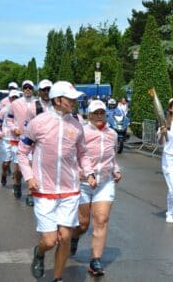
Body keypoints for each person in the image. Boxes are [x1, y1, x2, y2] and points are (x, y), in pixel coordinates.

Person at [18, 81, 95, 281]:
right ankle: (40, 252)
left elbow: (83, 154)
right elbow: (22, 151)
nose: (74, 102)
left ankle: (57, 278)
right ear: (58, 100)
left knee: (65, 237)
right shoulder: (39, 122)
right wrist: (29, 176)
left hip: (70, 190)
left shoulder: (77, 124)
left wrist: (89, 172)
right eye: (70, 99)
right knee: (50, 240)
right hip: (44, 190)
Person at [70, 100, 122, 276]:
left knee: (101, 219)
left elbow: (112, 157)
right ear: (89, 115)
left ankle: (95, 261)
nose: (100, 116)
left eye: (102, 112)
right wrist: (80, 173)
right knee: (83, 224)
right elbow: (72, 157)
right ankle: (74, 237)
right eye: (96, 113)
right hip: (83, 183)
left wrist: (116, 170)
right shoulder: (80, 132)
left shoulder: (112, 134)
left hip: (104, 183)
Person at [7, 80, 39, 205]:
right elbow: (9, 120)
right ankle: (17, 183)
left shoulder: (38, 103)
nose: (27, 89)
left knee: (32, 166)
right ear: (22, 89)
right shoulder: (15, 103)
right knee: (18, 168)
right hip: (18, 139)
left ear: (33, 89)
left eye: (30, 87)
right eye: (25, 87)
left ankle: (30, 194)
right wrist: (14, 128)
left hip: (35, 140)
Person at [0, 90, 21, 186]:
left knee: (18, 164)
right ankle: (3, 174)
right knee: (6, 163)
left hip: (18, 140)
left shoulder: (23, 110)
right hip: (7, 139)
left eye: (16, 98)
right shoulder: (4, 110)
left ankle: (17, 184)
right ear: (9, 99)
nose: (14, 99)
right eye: (12, 98)